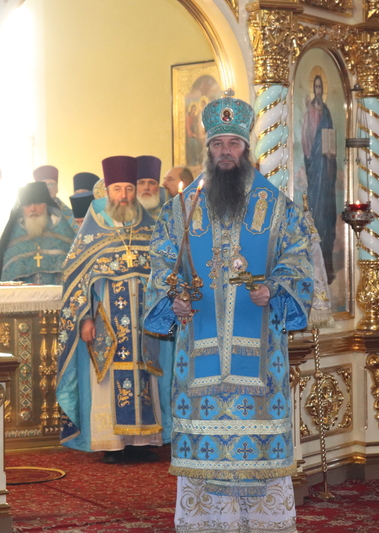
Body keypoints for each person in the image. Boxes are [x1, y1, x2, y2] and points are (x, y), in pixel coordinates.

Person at [145, 91, 313, 532]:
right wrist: (172, 298)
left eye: (233, 144)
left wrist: (274, 288)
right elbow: (161, 264)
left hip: (260, 356)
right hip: (198, 351)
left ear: (246, 148)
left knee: (259, 454)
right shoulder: (181, 209)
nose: (225, 152)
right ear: (208, 149)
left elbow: (298, 260)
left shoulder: (277, 206)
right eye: (217, 144)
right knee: (204, 459)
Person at [57, 155, 163, 464]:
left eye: (129, 189)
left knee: (144, 374)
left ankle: (142, 442)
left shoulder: (149, 227)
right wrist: (85, 319)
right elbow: (76, 277)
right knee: (108, 377)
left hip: (142, 320)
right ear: (107, 192)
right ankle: (113, 444)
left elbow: (163, 269)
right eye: (118, 189)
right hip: (107, 321)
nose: (124, 196)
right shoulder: (94, 230)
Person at [0, 181, 77, 284]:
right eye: (28, 205)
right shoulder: (14, 237)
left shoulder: (63, 233)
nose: (33, 209)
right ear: (22, 208)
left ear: (46, 205)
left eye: (38, 203)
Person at [301, 74, 337, 284]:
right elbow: (306, 140)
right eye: (315, 86)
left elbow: (331, 136)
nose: (318, 90)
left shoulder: (328, 112)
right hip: (315, 168)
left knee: (327, 213)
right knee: (316, 211)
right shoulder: (309, 112)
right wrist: (312, 158)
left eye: (320, 86)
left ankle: (327, 263)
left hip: (327, 166)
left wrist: (330, 154)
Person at [34, 165, 76, 230]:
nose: (48, 188)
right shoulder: (30, 213)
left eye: (52, 184)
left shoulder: (71, 215)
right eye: (44, 185)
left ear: (57, 188)